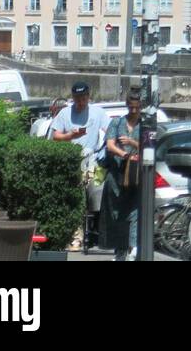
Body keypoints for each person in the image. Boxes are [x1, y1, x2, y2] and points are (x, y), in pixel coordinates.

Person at [50, 81, 110, 251]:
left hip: (93, 161)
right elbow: (55, 136)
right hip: (72, 161)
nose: (80, 102)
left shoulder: (98, 113)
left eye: (83, 98)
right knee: (75, 200)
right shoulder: (64, 113)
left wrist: (106, 148)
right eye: (77, 99)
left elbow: (110, 130)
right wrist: (70, 135)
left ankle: (95, 234)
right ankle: (75, 237)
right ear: (73, 98)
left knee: (96, 194)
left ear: (88, 97)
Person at [101, 90, 144, 261]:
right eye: (131, 107)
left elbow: (150, 146)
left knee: (134, 211)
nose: (134, 111)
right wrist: (124, 154)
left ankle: (133, 247)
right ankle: (120, 249)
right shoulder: (117, 122)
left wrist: (132, 143)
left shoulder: (145, 125)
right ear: (127, 105)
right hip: (117, 174)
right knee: (117, 213)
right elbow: (110, 145)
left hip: (135, 175)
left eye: (137, 108)